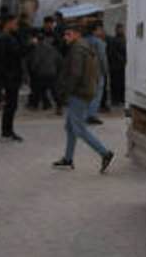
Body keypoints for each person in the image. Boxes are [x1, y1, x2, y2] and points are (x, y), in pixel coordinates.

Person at [53, 23, 115, 172]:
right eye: (65, 34)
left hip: (78, 93)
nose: (65, 37)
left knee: (79, 128)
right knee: (70, 127)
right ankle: (68, 159)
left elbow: (75, 74)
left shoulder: (77, 50)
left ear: (76, 34)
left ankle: (105, 153)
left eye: (68, 34)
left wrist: (65, 92)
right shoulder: (83, 46)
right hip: (83, 91)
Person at [0, 15, 28, 141]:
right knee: (10, 105)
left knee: (12, 105)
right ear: (8, 23)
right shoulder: (3, 38)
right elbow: (10, 56)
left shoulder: (10, 37)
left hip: (12, 75)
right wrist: (30, 46)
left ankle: (8, 130)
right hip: (10, 76)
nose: (16, 26)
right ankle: (6, 131)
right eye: (15, 23)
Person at [27, 34, 62, 111]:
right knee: (53, 90)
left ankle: (35, 105)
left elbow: (35, 62)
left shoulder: (36, 49)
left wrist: (32, 71)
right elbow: (59, 60)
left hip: (40, 73)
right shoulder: (52, 48)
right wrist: (57, 71)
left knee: (37, 89)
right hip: (52, 72)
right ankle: (58, 105)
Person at [84, 21, 110, 124]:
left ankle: (85, 114)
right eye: (100, 29)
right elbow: (103, 58)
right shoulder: (99, 42)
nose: (101, 31)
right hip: (97, 71)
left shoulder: (83, 41)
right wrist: (105, 70)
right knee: (96, 94)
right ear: (95, 30)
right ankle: (92, 115)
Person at [108, 23, 127, 108]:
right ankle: (115, 100)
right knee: (115, 83)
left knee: (122, 83)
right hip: (116, 66)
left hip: (122, 66)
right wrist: (121, 60)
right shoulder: (114, 40)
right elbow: (113, 53)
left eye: (122, 29)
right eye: (120, 29)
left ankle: (121, 99)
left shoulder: (124, 39)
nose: (122, 30)